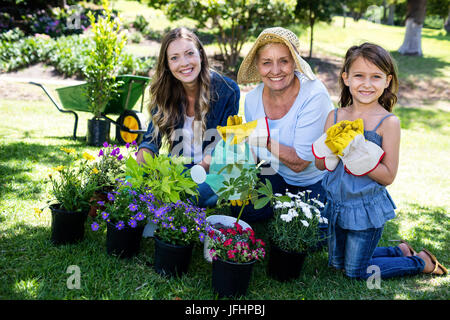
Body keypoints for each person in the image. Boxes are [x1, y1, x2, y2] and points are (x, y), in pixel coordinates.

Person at [313, 42, 447, 279]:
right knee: (335, 265)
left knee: (355, 271)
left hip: (365, 207)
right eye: (359, 75)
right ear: (346, 78)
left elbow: (388, 176)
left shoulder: (388, 123)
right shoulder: (335, 116)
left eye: (375, 76)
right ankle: (399, 251)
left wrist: (358, 155)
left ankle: (419, 261)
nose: (366, 83)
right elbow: (321, 165)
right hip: (336, 204)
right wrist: (329, 151)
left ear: (387, 81)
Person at [221, 27, 333, 223]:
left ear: (295, 63)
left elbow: (300, 163)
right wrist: (241, 175)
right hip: (276, 173)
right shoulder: (253, 99)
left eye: (284, 61)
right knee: (244, 209)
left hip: (313, 180)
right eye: (267, 63)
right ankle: (279, 207)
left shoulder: (314, 96)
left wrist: (264, 141)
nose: (275, 71)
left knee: (308, 234)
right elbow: (254, 150)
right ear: (258, 65)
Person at [136, 27, 240, 208]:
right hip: (179, 167)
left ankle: (174, 203)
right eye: (174, 58)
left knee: (197, 192)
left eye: (189, 53)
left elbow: (222, 146)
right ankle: (171, 201)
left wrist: (193, 176)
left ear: (200, 54)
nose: (184, 63)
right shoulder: (162, 92)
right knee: (144, 188)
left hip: (212, 170)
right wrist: (135, 176)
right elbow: (150, 143)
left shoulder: (227, 90)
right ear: (167, 64)